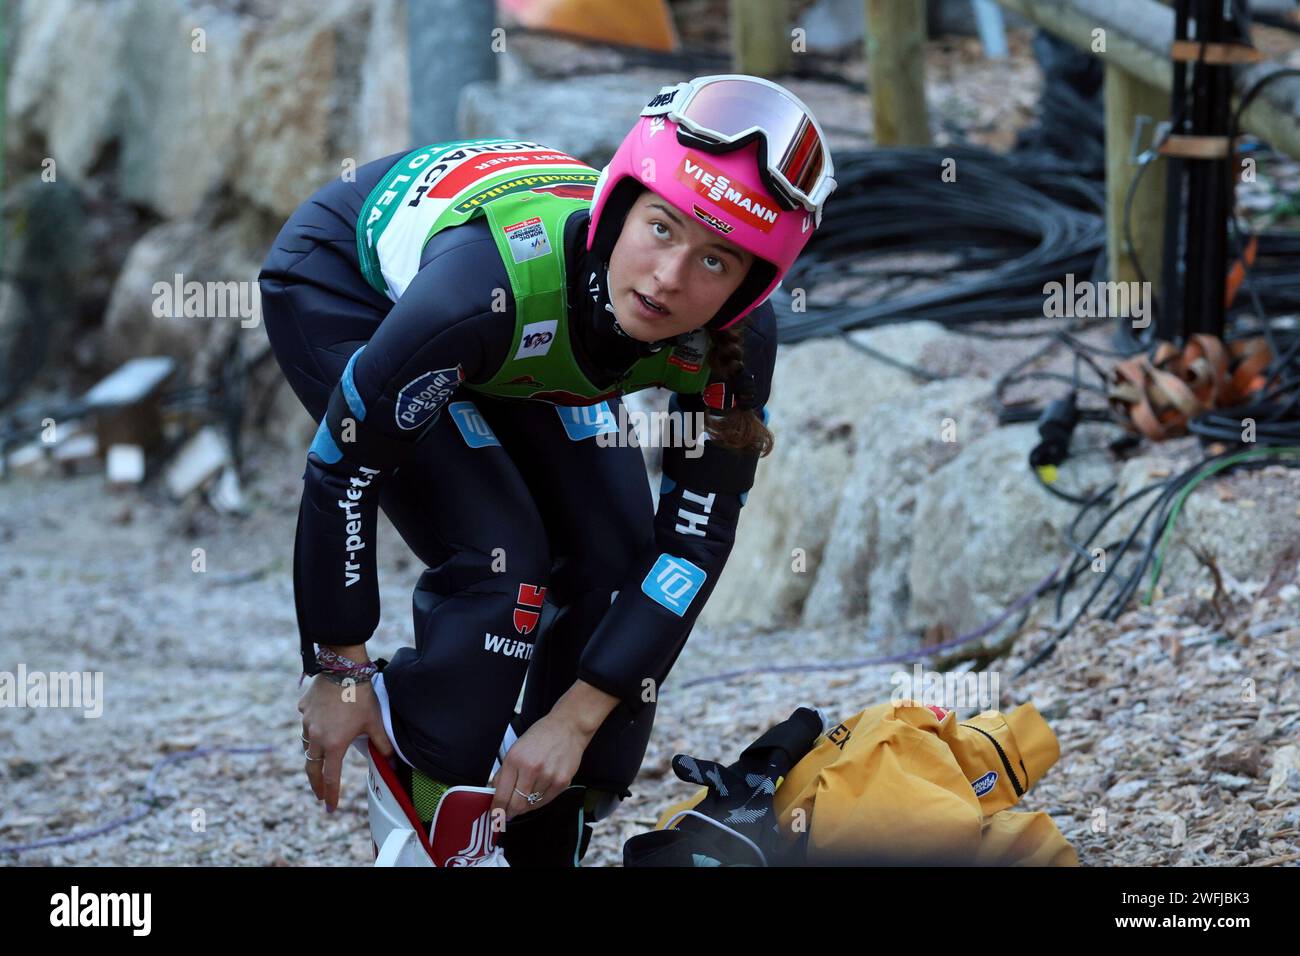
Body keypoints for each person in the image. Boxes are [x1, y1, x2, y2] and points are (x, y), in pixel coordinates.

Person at [258, 74, 836, 865]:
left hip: (531, 330)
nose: (671, 278)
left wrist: (577, 718)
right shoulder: (481, 290)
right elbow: (342, 473)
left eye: (716, 262)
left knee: (615, 560)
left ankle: (543, 817)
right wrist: (337, 666)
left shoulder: (734, 344)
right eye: (662, 229)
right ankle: (428, 785)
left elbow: (690, 548)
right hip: (352, 285)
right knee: (503, 562)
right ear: (620, 205)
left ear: (750, 289)